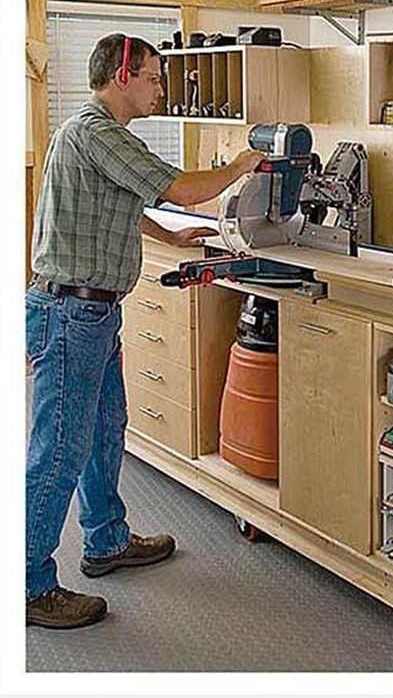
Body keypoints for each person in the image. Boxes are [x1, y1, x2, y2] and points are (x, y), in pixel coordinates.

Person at [26, 33, 265, 629]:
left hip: (94, 312)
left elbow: (117, 203)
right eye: (156, 77)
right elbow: (178, 187)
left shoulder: (98, 137)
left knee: (106, 431)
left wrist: (170, 237)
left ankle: (106, 540)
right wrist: (243, 162)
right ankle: (27, 583)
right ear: (123, 75)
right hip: (70, 314)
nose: (162, 88)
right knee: (58, 452)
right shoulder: (96, 130)